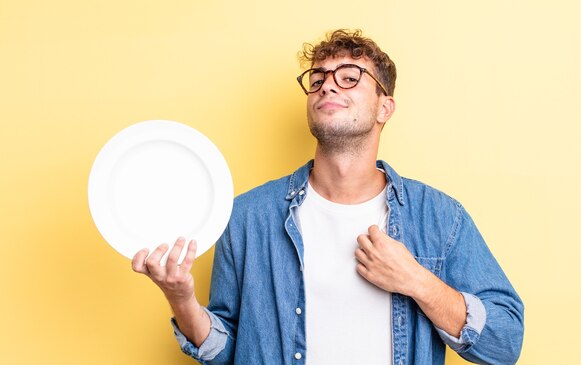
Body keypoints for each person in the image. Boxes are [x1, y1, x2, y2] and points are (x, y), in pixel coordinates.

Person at [132, 29, 524, 365]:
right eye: (317, 79)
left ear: (385, 106)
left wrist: (417, 281)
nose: (329, 85)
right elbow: (227, 350)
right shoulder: (248, 217)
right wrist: (181, 298)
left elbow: (504, 343)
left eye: (350, 77)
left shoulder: (440, 218)